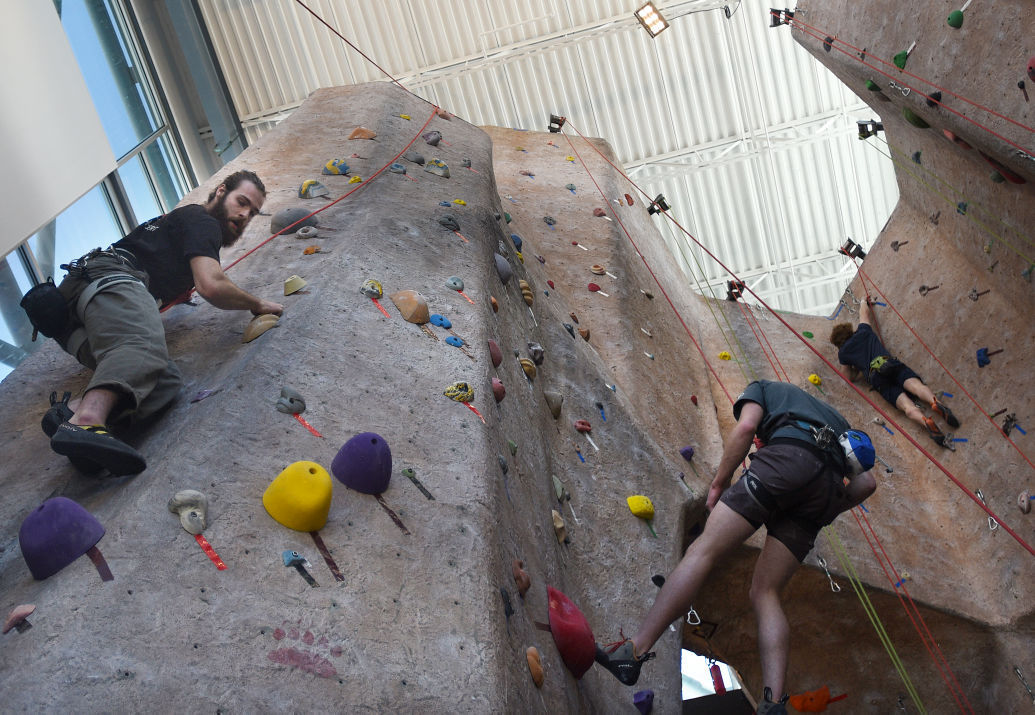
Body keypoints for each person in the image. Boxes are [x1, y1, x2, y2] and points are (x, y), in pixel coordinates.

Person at [594, 380, 877, 715]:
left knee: (703, 552)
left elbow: (745, 428)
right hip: (824, 492)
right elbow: (866, 482)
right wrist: (829, 509)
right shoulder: (835, 420)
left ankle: (634, 653)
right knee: (765, 592)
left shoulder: (761, 388)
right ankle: (773, 704)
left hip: (785, 463)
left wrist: (719, 483)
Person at [41, 170, 283, 476]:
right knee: (143, 343)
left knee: (162, 379)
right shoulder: (203, 221)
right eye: (242, 202)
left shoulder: (181, 226)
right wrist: (257, 303)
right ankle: (87, 421)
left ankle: (69, 415)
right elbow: (211, 284)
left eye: (253, 212)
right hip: (108, 280)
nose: (246, 214)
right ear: (221, 191)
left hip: (79, 322)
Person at [829, 299, 958, 446]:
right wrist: (864, 301)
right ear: (850, 331)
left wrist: (858, 366)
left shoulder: (843, 354)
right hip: (888, 363)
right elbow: (864, 313)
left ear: (838, 344)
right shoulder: (863, 331)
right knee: (917, 387)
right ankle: (935, 403)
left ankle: (926, 421)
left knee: (907, 407)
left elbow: (848, 377)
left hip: (876, 377)